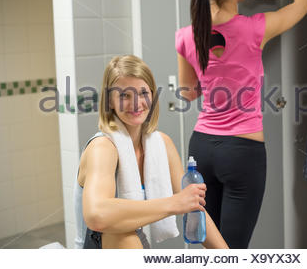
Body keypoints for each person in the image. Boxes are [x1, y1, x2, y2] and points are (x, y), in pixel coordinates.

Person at [175, 0, 307, 248]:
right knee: (234, 251)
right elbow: (301, 6)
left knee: (210, 245)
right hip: (242, 151)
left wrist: (212, 79)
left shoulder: (186, 35)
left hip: (201, 147)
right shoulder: (255, 28)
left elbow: (188, 93)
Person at [74, 55, 228, 249]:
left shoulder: (162, 144)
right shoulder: (103, 147)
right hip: (100, 246)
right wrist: (174, 203)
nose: (136, 103)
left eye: (143, 93)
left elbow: (192, 206)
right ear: (110, 102)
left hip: (137, 241)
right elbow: (96, 216)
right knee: (123, 235)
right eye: (124, 95)